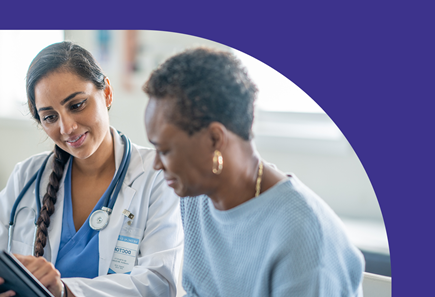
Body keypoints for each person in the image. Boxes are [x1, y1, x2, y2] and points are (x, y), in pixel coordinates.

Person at [0, 42, 183, 297]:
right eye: (50, 117)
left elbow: (159, 282)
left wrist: (64, 291)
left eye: (76, 105)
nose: (67, 128)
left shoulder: (157, 174)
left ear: (107, 92)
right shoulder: (28, 176)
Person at [143, 47, 365, 296]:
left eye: (164, 150)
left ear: (215, 139)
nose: (157, 164)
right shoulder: (197, 193)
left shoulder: (302, 235)